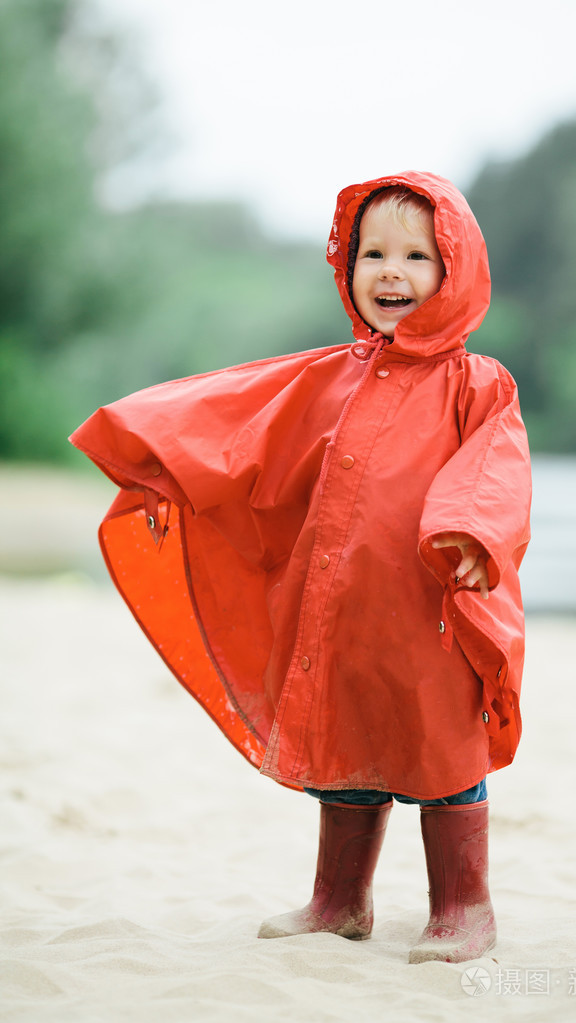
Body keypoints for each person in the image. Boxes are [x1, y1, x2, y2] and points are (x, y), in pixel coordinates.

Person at [69, 171, 532, 964]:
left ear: (457, 271)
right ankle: (338, 900)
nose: (392, 271)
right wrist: (162, 465)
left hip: (436, 613)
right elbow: (244, 427)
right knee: (345, 750)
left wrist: (471, 534)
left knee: (442, 753)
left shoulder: (476, 382)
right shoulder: (333, 376)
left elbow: (496, 468)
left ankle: (464, 906)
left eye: (418, 255)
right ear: (346, 267)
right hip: (343, 611)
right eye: (373, 253)